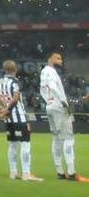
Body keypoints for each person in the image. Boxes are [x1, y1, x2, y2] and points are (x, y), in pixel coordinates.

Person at [40, 51, 87, 181]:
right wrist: (63, 102)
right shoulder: (51, 72)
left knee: (56, 138)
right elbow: (53, 87)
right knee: (68, 138)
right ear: (50, 59)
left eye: (61, 59)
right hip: (59, 107)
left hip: (50, 106)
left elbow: (42, 90)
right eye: (58, 58)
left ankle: (60, 172)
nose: (60, 61)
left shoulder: (44, 72)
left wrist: (49, 101)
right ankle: (71, 173)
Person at [0, 59, 41, 181]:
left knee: (12, 145)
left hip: (8, 120)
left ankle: (13, 172)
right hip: (19, 117)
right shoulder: (15, 82)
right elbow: (16, 98)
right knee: (25, 144)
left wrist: (2, 110)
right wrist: (7, 110)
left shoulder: (0, 82)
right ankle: (26, 173)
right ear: (15, 69)